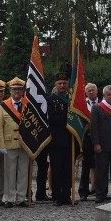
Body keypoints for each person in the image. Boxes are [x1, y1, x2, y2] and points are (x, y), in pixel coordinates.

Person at [0, 77, 28, 208]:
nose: (17, 92)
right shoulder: (4, 105)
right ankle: (9, 198)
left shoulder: (28, 104)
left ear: (22, 91)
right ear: (10, 90)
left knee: (23, 172)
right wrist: (0, 144)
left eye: (19, 89)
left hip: (25, 144)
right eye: (15, 89)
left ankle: (21, 198)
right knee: (9, 172)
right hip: (9, 144)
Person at [90, 84, 111, 203]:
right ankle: (101, 194)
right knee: (102, 171)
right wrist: (96, 143)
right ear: (103, 95)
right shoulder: (97, 108)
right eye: (109, 94)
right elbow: (94, 128)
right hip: (103, 144)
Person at [47, 69, 71, 206]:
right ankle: (57, 196)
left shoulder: (72, 99)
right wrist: (67, 117)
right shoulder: (50, 100)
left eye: (64, 83)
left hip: (70, 139)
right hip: (56, 140)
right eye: (59, 83)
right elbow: (52, 119)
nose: (62, 85)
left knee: (68, 169)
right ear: (55, 84)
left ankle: (66, 195)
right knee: (57, 169)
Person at [78, 83, 98, 200]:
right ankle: (83, 192)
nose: (91, 92)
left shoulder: (102, 104)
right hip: (86, 140)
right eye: (89, 90)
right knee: (85, 167)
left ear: (96, 91)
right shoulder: (82, 105)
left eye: (93, 90)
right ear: (85, 93)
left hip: (100, 139)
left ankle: (99, 190)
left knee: (100, 166)